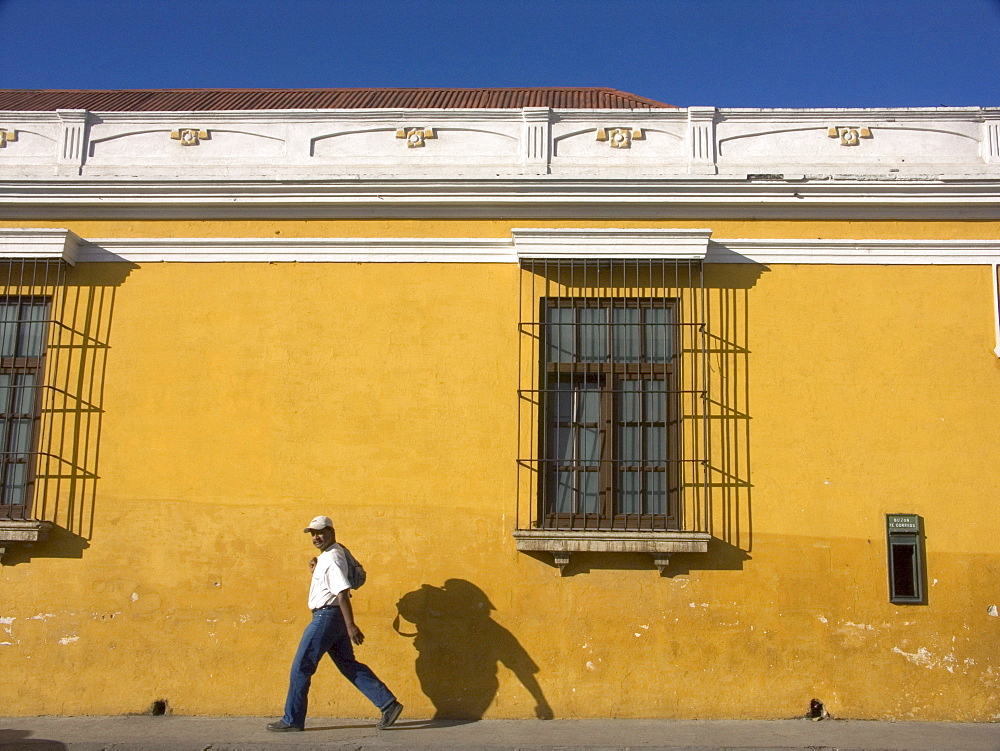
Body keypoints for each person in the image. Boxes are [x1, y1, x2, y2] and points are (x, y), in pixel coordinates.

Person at [267, 516, 403, 732]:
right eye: (312, 534)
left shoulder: (332, 559)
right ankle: (388, 704)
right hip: (333, 618)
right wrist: (316, 566)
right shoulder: (331, 554)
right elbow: (332, 584)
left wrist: (351, 626)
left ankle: (292, 720)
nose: (315, 537)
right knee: (348, 665)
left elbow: (341, 593)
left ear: (331, 531)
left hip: (326, 618)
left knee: (301, 667)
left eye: (319, 532)